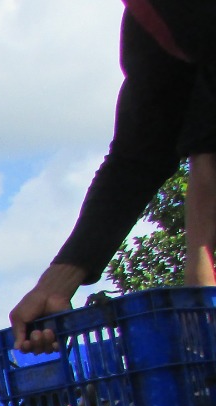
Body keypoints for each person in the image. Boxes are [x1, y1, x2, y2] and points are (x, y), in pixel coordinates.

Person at [11, 1, 216, 352]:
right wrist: (56, 283)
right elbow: (140, 153)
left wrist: (202, 294)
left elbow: (208, 156)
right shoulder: (151, 19)